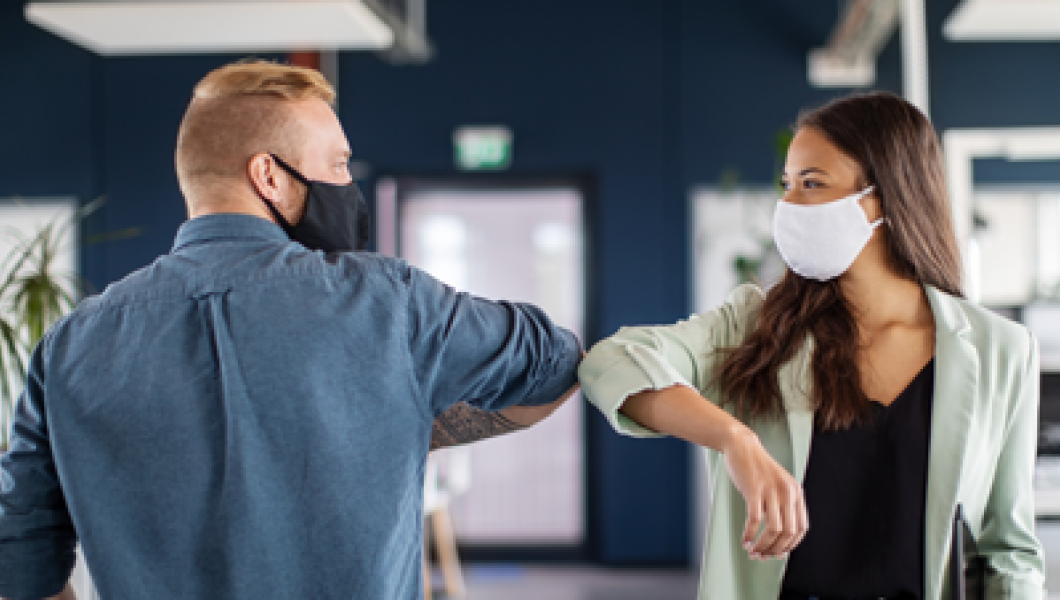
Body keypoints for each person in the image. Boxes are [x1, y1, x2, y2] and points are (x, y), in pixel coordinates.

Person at [0, 60, 580, 600]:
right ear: (267, 175)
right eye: (337, 164)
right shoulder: (389, 302)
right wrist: (412, 428)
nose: (346, 182)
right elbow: (555, 364)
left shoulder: (69, 346)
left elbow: (22, 557)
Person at [579, 91, 1043, 599]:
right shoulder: (755, 328)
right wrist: (736, 440)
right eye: (787, 185)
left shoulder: (1002, 350)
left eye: (812, 184)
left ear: (887, 196)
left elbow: (1009, 551)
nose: (788, 205)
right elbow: (609, 362)